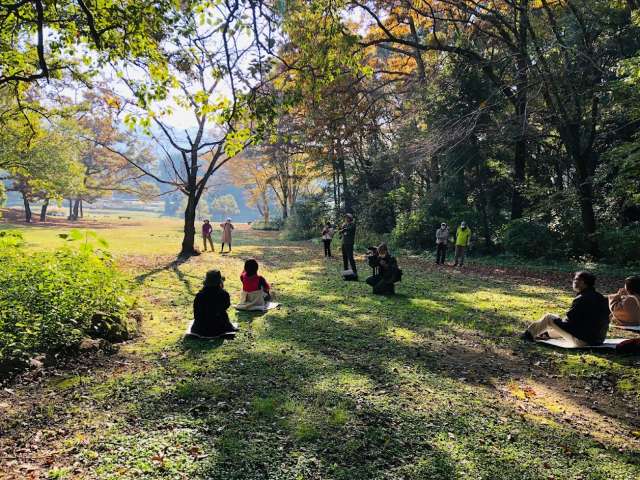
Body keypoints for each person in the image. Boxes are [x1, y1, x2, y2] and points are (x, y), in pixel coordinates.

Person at [522, 271, 610, 346]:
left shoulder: (581, 298)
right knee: (560, 322)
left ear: (583, 282)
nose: (574, 282)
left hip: (583, 341)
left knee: (549, 318)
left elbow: (569, 322)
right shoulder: (601, 297)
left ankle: (528, 335)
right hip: (598, 340)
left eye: (576, 279)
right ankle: (545, 334)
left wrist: (556, 322)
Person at [190, 270, 237, 337]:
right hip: (219, 329)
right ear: (219, 281)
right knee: (222, 314)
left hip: (200, 329)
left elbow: (196, 313)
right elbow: (226, 306)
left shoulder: (199, 295)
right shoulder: (224, 294)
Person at [338, 213, 357, 279]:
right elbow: (341, 233)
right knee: (344, 259)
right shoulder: (344, 225)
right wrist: (340, 233)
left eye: (348, 217)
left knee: (350, 258)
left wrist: (343, 230)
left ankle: (355, 273)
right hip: (344, 243)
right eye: (346, 217)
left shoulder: (352, 224)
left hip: (349, 243)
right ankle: (346, 274)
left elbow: (348, 229)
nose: (346, 219)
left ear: (350, 218)